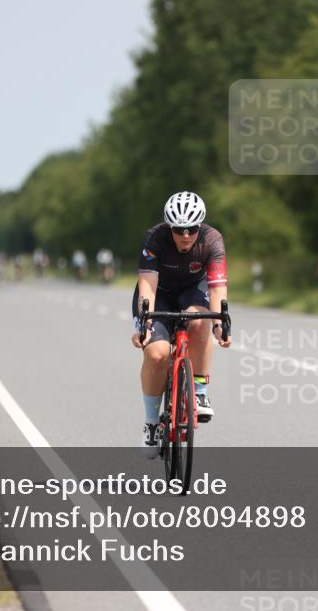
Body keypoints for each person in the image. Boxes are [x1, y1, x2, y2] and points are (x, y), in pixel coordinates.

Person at [131, 191, 231, 458]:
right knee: (157, 354)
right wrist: (145, 325)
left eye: (191, 229)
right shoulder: (155, 238)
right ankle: (152, 423)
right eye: (179, 229)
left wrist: (221, 326)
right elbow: (148, 289)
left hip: (193, 290)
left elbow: (218, 289)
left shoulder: (212, 240)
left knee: (200, 322)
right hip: (159, 292)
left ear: (200, 226)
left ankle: (199, 391)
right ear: (169, 227)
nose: (185, 235)